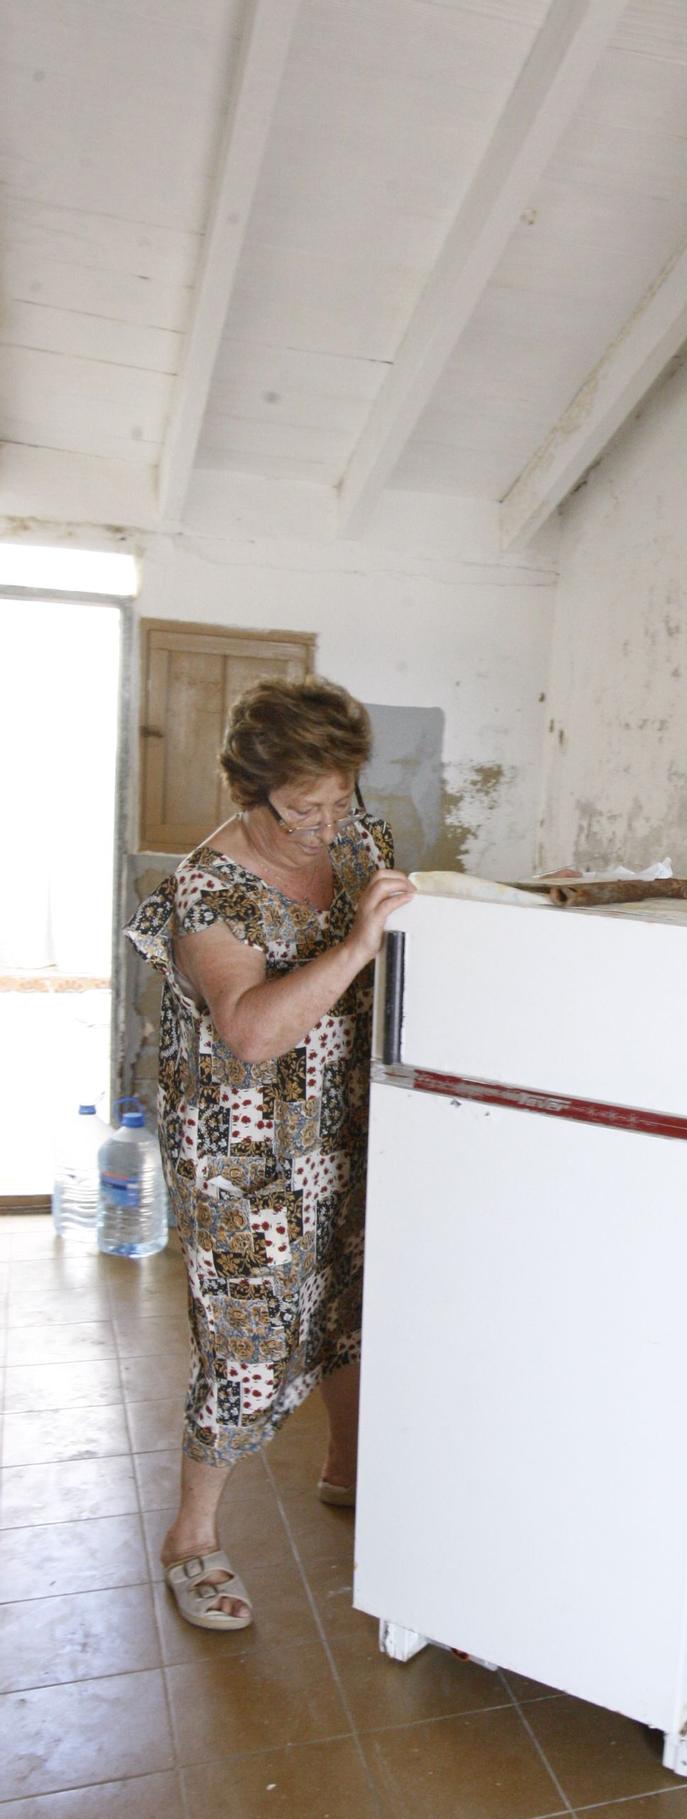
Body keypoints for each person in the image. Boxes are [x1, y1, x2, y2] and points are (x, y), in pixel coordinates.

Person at [126, 677, 415, 1629]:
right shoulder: (210, 892)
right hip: (244, 1159)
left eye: (340, 800)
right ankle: (191, 1540)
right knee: (249, 1347)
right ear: (249, 794)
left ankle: (347, 1470)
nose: (327, 825)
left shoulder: (345, 824)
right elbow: (249, 1032)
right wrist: (361, 943)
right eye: (302, 809)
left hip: (347, 1121)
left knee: (348, 1299)